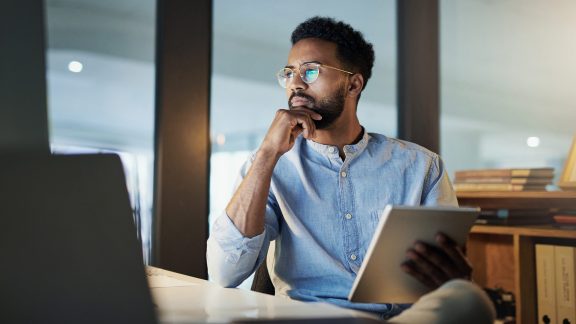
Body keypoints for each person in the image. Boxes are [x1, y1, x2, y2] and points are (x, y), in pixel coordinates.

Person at [207, 16, 495, 322]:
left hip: (398, 319)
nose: (295, 83)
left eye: (311, 70)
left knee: (470, 301)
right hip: (308, 318)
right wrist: (266, 153)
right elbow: (224, 273)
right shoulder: (270, 164)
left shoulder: (422, 166)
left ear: (353, 84)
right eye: (289, 73)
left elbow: (446, 277)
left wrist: (455, 278)